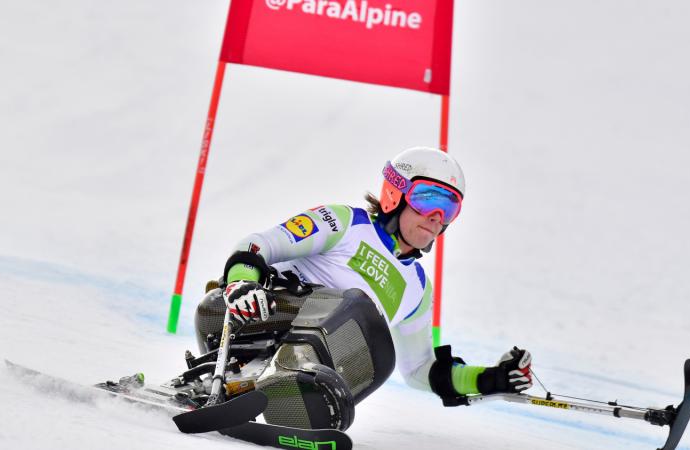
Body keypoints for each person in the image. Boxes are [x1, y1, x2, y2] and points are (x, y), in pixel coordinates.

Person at [195, 147, 532, 430]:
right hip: (239, 322)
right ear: (394, 194)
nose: (436, 217)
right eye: (428, 198)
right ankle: (259, 378)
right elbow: (260, 244)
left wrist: (490, 380)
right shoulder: (344, 223)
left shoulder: (416, 289)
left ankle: (296, 398)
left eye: (450, 209)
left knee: (379, 351)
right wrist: (242, 281)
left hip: (314, 365)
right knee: (356, 307)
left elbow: (419, 370)